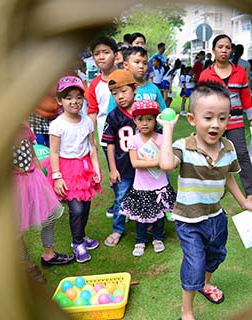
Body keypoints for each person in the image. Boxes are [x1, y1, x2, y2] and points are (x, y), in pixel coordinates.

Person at [158, 82, 252, 320]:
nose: (216, 124)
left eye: (222, 118)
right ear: (192, 119)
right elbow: (165, 164)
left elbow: (228, 178)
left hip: (216, 217)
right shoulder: (184, 147)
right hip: (189, 220)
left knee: (217, 254)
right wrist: (168, 129)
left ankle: (205, 284)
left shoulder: (228, 147)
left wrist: (244, 203)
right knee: (194, 263)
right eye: (208, 117)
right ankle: (187, 312)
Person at [199, 34, 252, 204]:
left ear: (231, 50)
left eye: (227, 47)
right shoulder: (205, 74)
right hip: (213, 122)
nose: (224, 50)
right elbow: (200, 100)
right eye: (220, 47)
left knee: (241, 154)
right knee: (209, 154)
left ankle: (250, 192)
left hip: (235, 121)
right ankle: (209, 189)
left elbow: (246, 97)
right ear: (213, 50)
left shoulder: (239, 72)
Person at [48, 76, 102, 263]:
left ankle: (82, 235)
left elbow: (92, 146)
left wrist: (96, 169)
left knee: (86, 205)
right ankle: (76, 242)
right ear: (59, 101)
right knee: (76, 208)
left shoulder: (87, 121)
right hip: (67, 169)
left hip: (85, 167)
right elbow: (54, 152)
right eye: (68, 97)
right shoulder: (57, 124)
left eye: (78, 97)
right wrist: (57, 177)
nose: (74, 101)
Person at [13, 122, 74, 283]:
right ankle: (26, 264)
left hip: (33, 178)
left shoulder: (24, 128)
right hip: (13, 186)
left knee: (49, 217)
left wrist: (43, 179)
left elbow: (32, 155)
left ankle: (49, 254)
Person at [120, 100, 176, 257]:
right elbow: (135, 163)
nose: (144, 123)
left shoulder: (161, 138)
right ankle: (140, 240)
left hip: (160, 185)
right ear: (134, 120)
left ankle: (158, 238)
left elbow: (169, 157)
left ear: (156, 120)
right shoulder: (134, 140)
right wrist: (159, 162)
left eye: (149, 119)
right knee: (142, 218)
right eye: (140, 119)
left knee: (159, 215)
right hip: (142, 186)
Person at [102, 69, 138, 247]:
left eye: (124, 91)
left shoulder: (144, 111)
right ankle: (118, 228)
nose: (120, 97)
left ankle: (147, 223)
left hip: (144, 165)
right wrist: (113, 169)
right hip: (123, 166)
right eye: (115, 94)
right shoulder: (113, 116)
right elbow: (110, 144)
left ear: (134, 89)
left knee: (145, 195)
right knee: (121, 198)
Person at [86, 36, 118, 219]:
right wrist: (92, 139)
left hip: (127, 133)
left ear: (115, 55)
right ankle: (118, 200)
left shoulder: (124, 77)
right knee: (114, 169)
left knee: (132, 168)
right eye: (97, 54)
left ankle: (131, 200)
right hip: (106, 135)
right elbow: (92, 111)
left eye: (106, 52)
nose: (101, 57)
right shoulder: (95, 84)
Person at [107, 46, 167, 114]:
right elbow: (110, 116)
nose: (141, 66)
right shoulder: (118, 88)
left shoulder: (154, 89)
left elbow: (163, 113)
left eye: (144, 63)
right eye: (137, 62)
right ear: (126, 65)